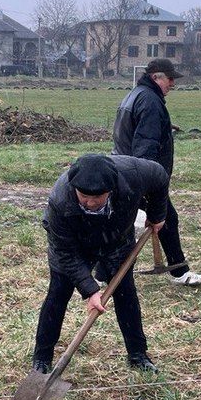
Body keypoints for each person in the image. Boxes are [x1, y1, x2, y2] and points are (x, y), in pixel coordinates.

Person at [33, 153, 169, 373]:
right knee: (58, 293)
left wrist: (157, 214)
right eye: (84, 196)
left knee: (125, 293)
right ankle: (42, 358)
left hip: (116, 240)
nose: (91, 202)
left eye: (98, 196)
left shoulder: (133, 174)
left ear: (111, 189)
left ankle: (138, 355)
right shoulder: (60, 200)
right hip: (73, 245)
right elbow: (65, 253)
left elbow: (160, 177)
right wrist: (90, 290)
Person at [112, 58, 201, 286]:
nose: (173, 83)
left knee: (125, 223)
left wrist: (164, 127)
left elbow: (134, 130)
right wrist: (149, 183)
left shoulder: (135, 95)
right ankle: (180, 272)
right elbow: (145, 144)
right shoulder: (151, 102)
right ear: (156, 77)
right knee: (166, 218)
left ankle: (103, 272)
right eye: (170, 78)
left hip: (123, 168)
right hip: (139, 174)